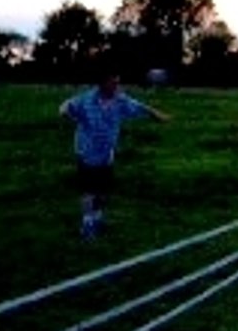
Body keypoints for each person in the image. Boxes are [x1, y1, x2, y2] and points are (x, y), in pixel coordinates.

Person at [59, 63, 170, 241]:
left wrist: (157, 115)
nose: (117, 86)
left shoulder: (121, 100)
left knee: (103, 192)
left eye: (118, 82)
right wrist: (65, 110)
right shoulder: (86, 100)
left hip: (107, 154)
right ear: (102, 83)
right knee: (88, 190)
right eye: (113, 83)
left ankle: (98, 218)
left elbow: (140, 107)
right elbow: (66, 106)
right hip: (86, 152)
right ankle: (87, 224)